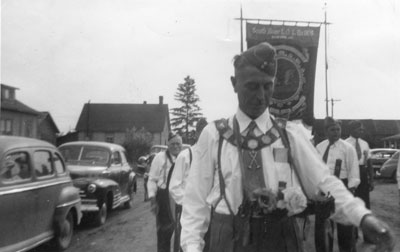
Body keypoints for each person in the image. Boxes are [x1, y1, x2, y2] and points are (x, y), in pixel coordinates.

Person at [179, 42, 395, 252]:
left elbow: (323, 182)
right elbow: (195, 200)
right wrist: (191, 247)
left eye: (267, 86)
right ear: (234, 83)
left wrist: (363, 217)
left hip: (281, 240)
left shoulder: (290, 134)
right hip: (227, 239)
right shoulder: (214, 135)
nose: (261, 96)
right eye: (252, 86)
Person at [316, 117, 360, 252]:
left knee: (345, 227)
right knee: (323, 227)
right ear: (326, 131)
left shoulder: (348, 148)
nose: (336, 132)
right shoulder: (319, 147)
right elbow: (316, 169)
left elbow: (354, 171)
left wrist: (350, 190)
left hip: (342, 186)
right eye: (332, 130)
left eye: (338, 129)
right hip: (324, 188)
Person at [169, 118, 208, 252]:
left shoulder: (211, 156)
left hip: (207, 210)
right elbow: (174, 186)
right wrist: (187, 203)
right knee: (185, 245)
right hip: (188, 211)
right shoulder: (185, 155)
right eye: (202, 133)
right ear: (197, 134)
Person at [147, 133, 183, 252]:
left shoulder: (185, 158)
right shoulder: (159, 158)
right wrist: (153, 200)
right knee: (163, 233)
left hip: (181, 198)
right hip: (163, 198)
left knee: (182, 232)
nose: (176, 146)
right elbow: (152, 179)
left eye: (178, 144)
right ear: (168, 144)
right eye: (173, 144)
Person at [345, 120, 374, 209]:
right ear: (351, 130)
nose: (361, 131)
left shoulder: (365, 144)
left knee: (364, 201)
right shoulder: (345, 144)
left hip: (363, 173)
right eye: (359, 129)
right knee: (351, 199)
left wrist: (371, 180)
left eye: (362, 130)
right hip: (350, 173)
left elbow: (369, 163)